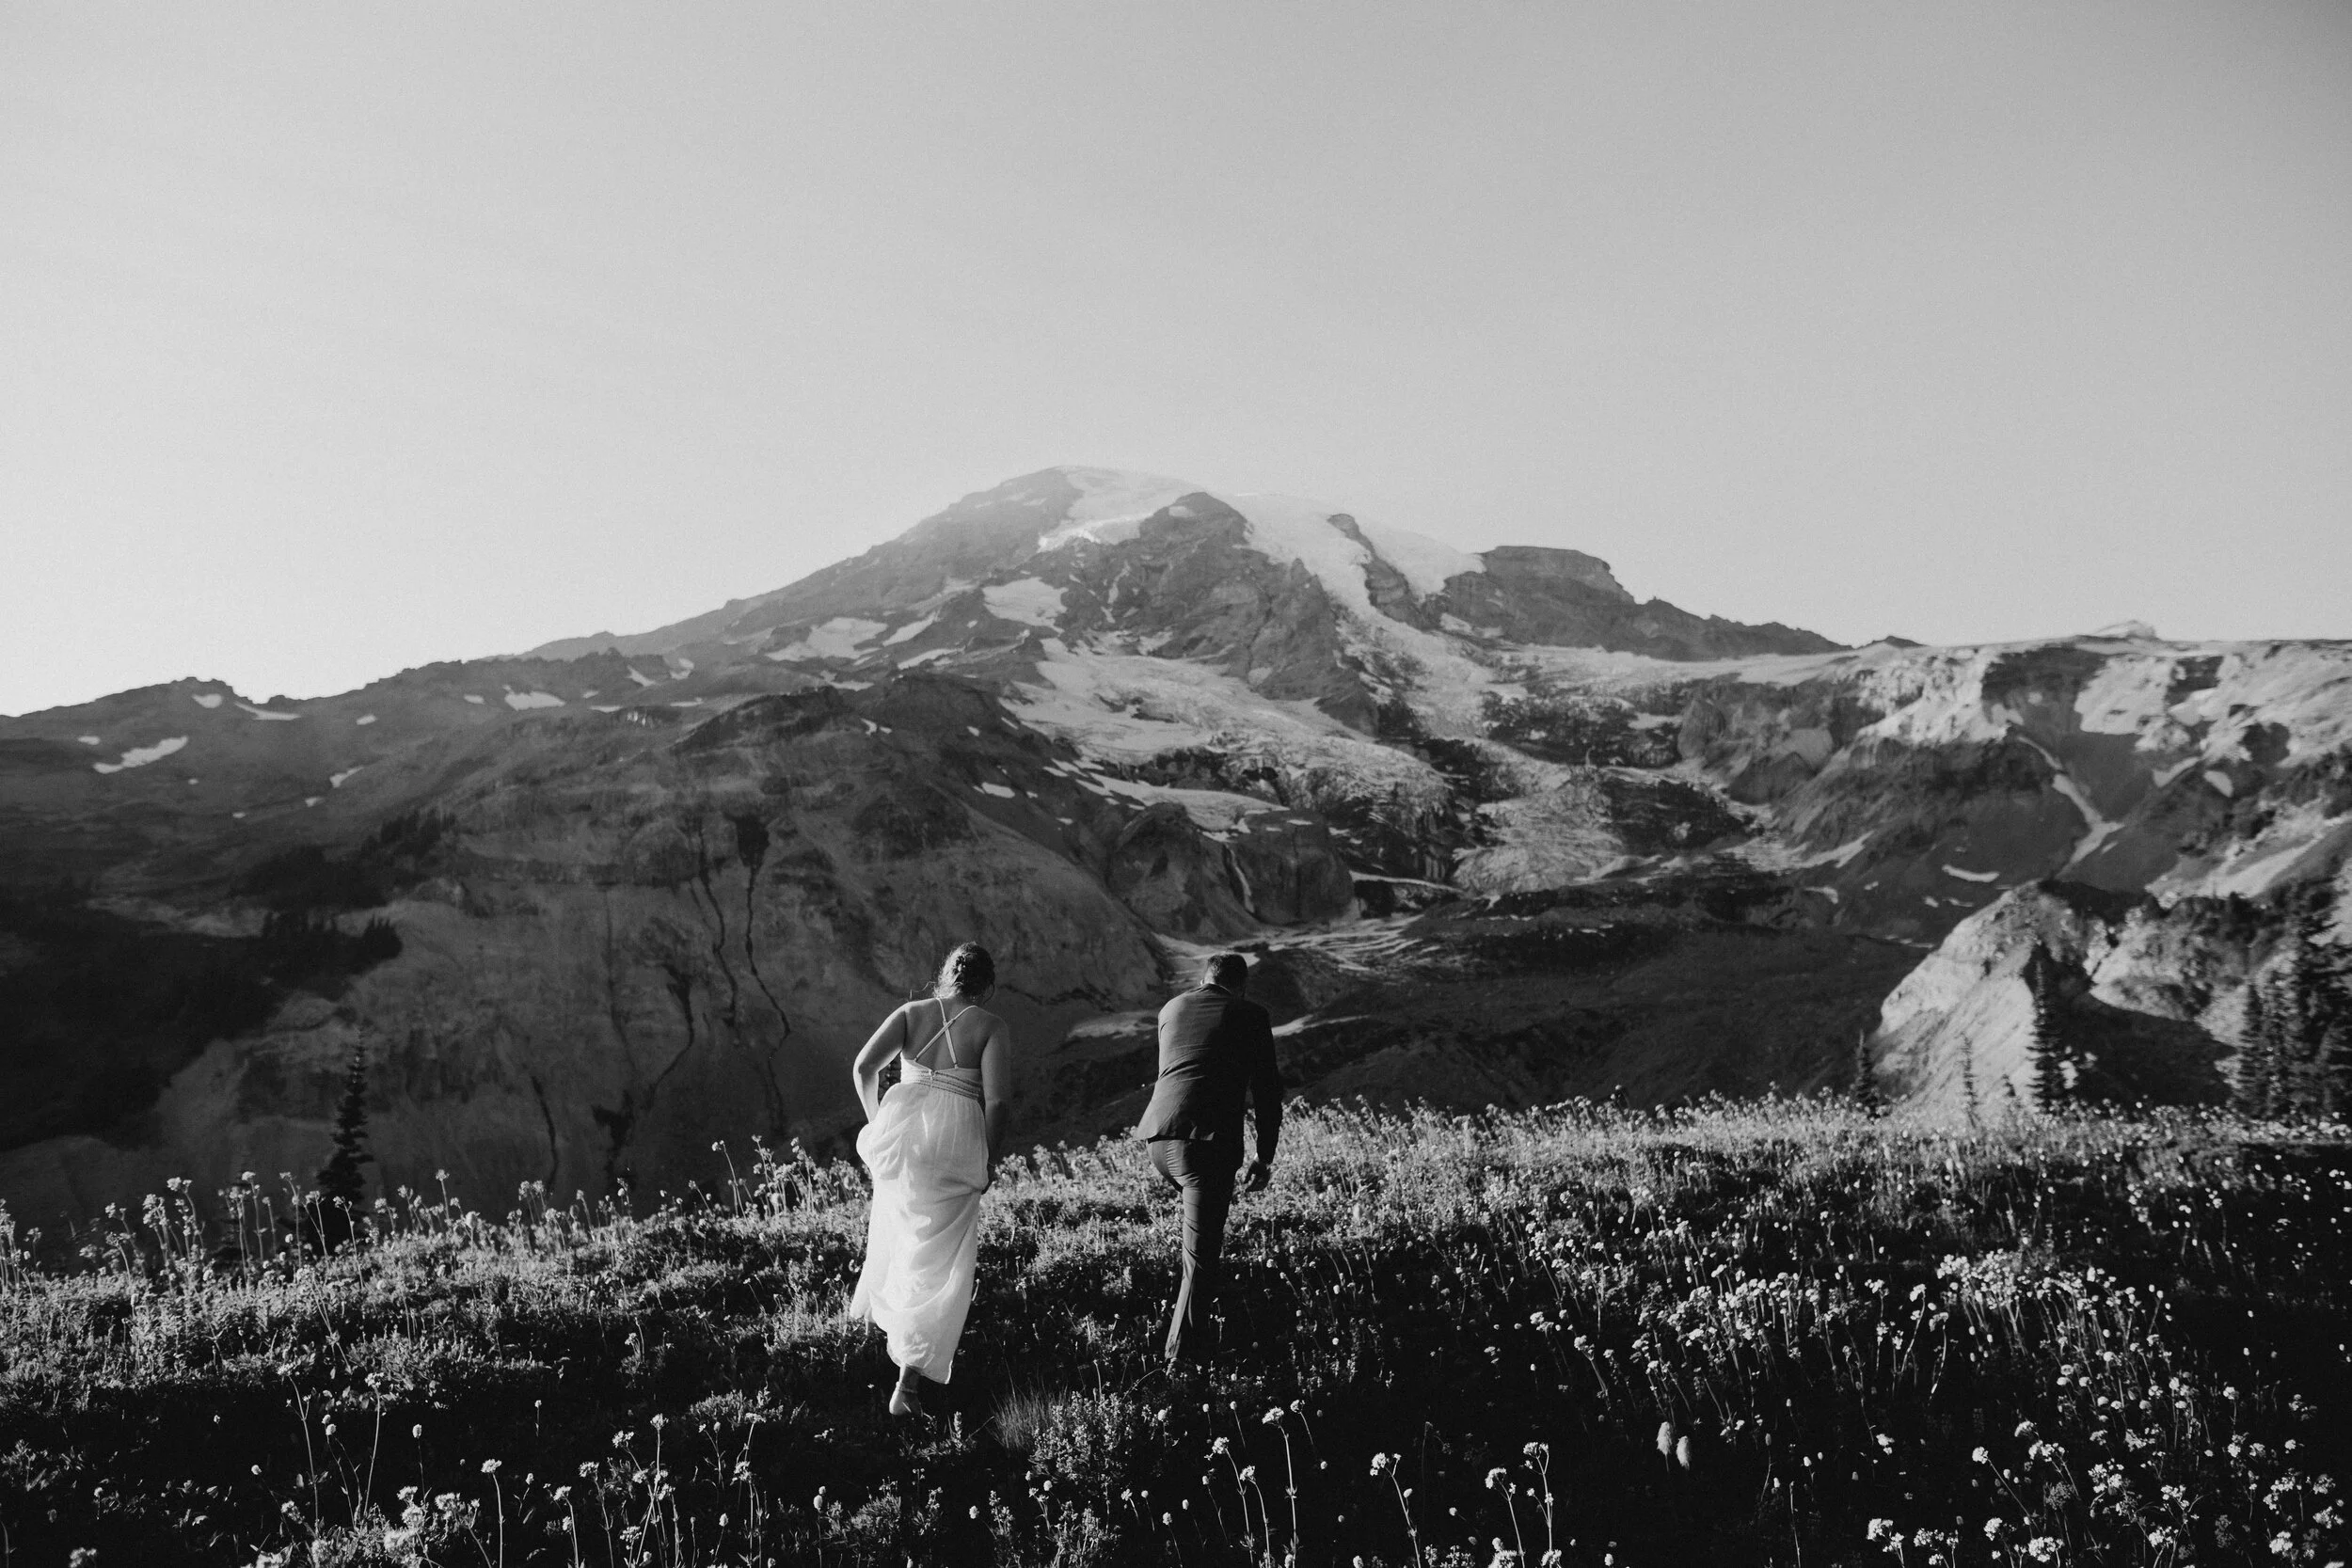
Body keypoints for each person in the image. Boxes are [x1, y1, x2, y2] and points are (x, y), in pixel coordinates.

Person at [847, 942, 1011, 1418]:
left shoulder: (910, 1012)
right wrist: (987, 1157)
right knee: (939, 1261)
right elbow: (999, 1103)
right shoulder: (991, 1026)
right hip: (955, 1143)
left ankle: (874, 1343)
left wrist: (880, 1121)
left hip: (904, 1138)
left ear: (944, 976)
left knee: (899, 1236)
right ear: (988, 986)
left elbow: (863, 1068)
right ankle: (908, 1387)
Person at [1133, 951, 1283, 1366]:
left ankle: (1197, 1338)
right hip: (1205, 1144)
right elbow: (1268, 1090)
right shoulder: (1249, 1013)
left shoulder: (1172, 1007)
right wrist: (1263, 1157)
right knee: (1201, 1260)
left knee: (1198, 1247)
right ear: (1241, 986)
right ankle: (1180, 1367)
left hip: (1157, 1139)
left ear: (1204, 979)